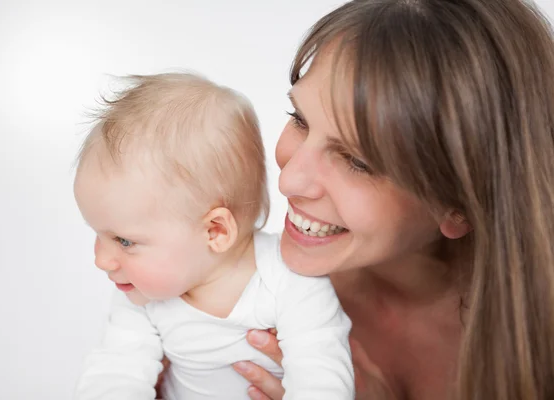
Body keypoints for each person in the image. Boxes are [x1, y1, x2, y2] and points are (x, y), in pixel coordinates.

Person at [230, 0, 554, 399]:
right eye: (300, 119)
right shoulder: (241, 302)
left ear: (461, 205)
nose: (290, 180)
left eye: (357, 161)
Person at [72, 73, 354, 400]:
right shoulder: (141, 295)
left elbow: (321, 379)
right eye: (98, 235)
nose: (101, 260)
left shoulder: (290, 281)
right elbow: (114, 373)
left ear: (215, 231)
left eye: (124, 241)